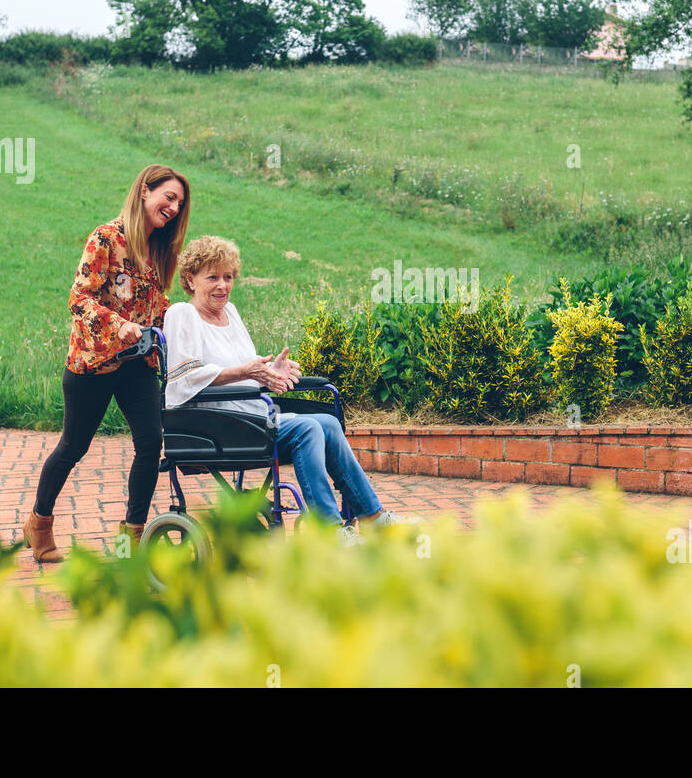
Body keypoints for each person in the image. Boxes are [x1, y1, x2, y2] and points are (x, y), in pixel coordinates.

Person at [163, 235, 414, 546]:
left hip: (250, 414)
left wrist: (269, 374)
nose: (222, 286)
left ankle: (373, 519)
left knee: (329, 423)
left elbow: (245, 372)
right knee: (308, 428)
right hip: (215, 423)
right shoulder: (181, 314)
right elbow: (183, 381)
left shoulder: (232, 314)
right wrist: (247, 371)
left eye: (228, 277)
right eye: (212, 277)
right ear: (190, 278)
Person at [23, 164, 191, 562]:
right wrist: (120, 326)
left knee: (151, 444)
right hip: (92, 363)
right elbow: (79, 300)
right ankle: (39, 522)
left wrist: (184, 324)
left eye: (180, 204)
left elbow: (157, 306)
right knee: (73, 446)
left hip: (137, 365)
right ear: (145, 191)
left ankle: (128, 543)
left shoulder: (160, 251)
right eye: (169, 197)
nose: (173, 208)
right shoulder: (106, 238)